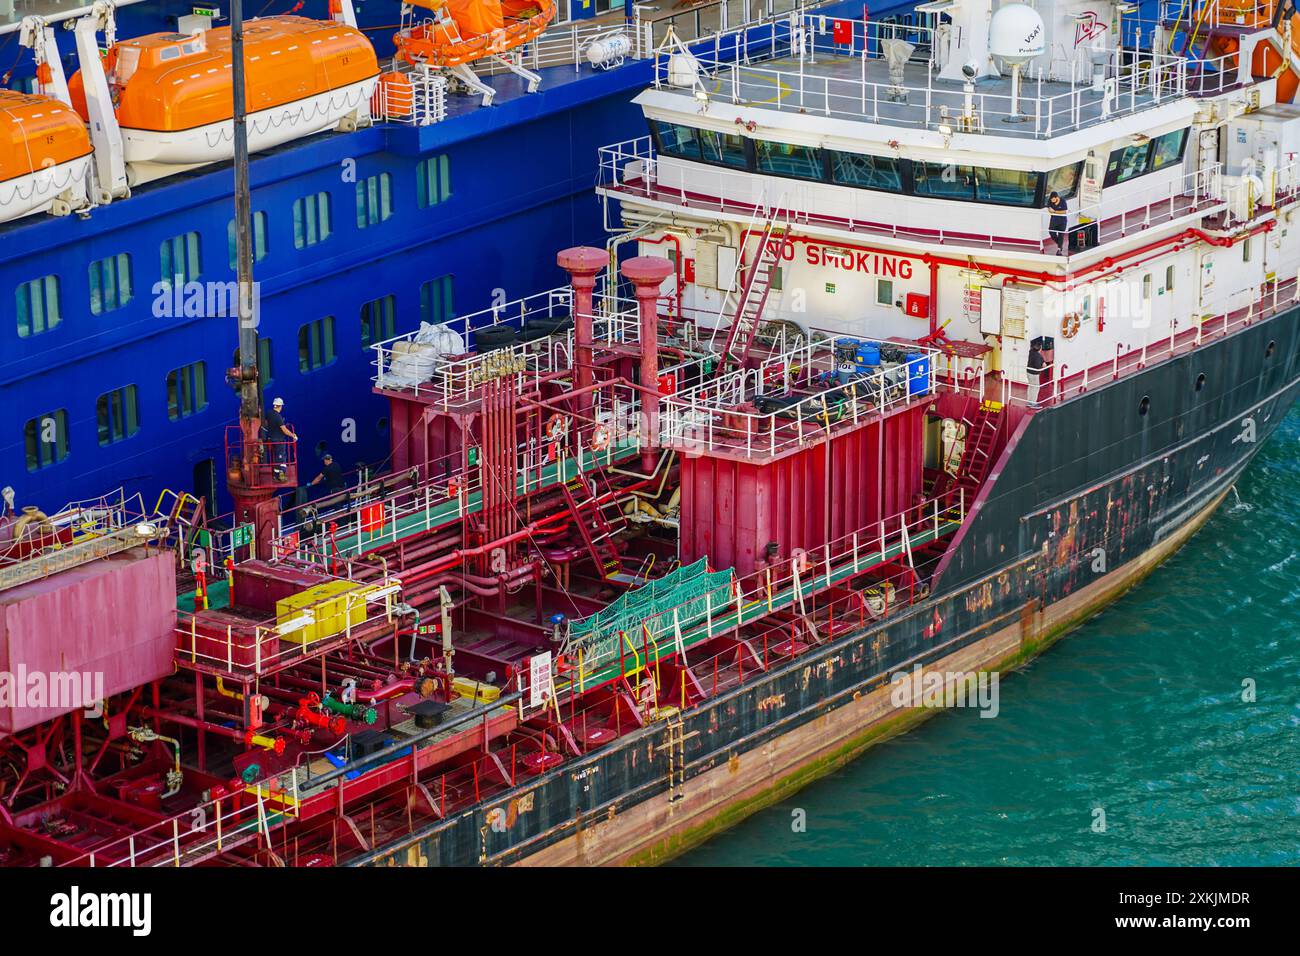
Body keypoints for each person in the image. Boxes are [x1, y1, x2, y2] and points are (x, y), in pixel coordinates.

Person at [263, 397, 298, 478]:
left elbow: (266, 423)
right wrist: (293, 435)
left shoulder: (269, 413)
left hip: (271, 439)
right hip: (279, 440)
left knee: (276, 457)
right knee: (281, 458)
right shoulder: (278, 417)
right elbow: (284, 430)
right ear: (280, 406)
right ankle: (279, 475)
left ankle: (276, 474)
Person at [1046, 191, 1068, 256]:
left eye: (1053, 199)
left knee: (1061, 235)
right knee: (1051, 232)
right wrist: (1054, 207)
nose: (1052, 200)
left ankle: (1059, 250)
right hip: (1054, 220)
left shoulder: (1063, 201)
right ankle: (1060, 244)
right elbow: (1049, 209)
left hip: (1062, 221)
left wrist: (1055, 211)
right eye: (1051, 199)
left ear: (1057, 198)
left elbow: (1064, 212)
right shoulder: (1050, 201)